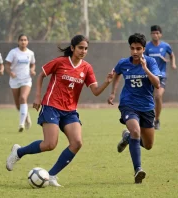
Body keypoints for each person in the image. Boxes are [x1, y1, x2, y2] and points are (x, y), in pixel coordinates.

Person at [6, 35, 113, 187]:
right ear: (72, 48)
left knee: (76, 143)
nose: (83, 51)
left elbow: (95, 91)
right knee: (50, 144)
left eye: (86, 48)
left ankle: (51, 175)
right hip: (52, 106)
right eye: (80, 47)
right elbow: (42, 74)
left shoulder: (87, 68)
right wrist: (37, 96)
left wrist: (107, 83)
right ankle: (18, 152)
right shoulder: (60, 62)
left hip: (70, 111)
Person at [108, 33, 161, 184]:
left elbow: (157, 84)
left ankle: (127, 138)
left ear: (144, 49)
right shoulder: (123, 63)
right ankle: (138, 170)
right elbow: (116, 74)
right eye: (132, 48)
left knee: (148, 145)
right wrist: (113, 93)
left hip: (147, 107)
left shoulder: (150, 62)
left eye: (138, 48)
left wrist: (145, 68)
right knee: (136, 131)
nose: (135, 52)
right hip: (128, 105)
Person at [144, 25, 176, 130]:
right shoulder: (147, 47)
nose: (155, 35)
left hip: (161, 75)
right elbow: (143, 59)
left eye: (157, 33)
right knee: (148, 98)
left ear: (160, 34)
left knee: (157, 96)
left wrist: (172, 64)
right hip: (150, 76)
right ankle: (148, 119)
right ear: (150, 34)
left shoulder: (165, 46)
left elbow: (172, 55)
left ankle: (156, 120)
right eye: (153, 33)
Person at [5, 34, 36, 132]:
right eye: (21, 40)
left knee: (23, 98)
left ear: (27, 42)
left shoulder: (30, 53)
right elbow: (7, 66)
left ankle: (21, 124)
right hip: (15, 80)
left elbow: (32, 64)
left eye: (25, 40)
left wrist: (32, 70)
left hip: (26, 80)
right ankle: (26, 115)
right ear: (18, 41)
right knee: (18, 105)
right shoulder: (13, 52)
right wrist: (10, 72)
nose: (23, 42)